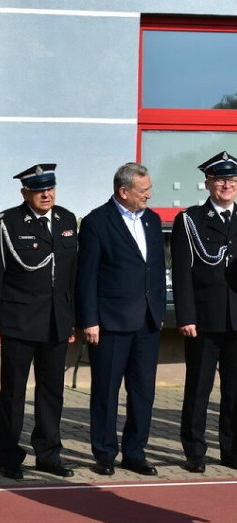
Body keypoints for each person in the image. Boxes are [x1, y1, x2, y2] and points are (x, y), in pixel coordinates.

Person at [0, 164, 77, 480]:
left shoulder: (66, 220)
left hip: (56, 322)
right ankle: (9, 456)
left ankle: (49, 454)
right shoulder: (6, 223)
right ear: (25, 193)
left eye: (50, 188)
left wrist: (73, 318)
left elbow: (72, 276)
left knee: (52, 392)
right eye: (38, 190)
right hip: (18, 321)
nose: (46, 194)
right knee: (14, 392)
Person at [76, 162, 166, 476]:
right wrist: (89, 319)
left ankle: (135, 452)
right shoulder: (97, 222)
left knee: (143, 391)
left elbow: (153, 269)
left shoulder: (153, 221)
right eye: (144, 191)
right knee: (106, 390)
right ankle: (104, 453)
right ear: (123, 191)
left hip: (147, 322)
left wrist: (158, 310)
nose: (149, 196)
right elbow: (86, 277)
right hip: (110, 322)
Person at [171, 151, 237, 473]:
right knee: (199, 387)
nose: (227, 185)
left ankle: (231, 449)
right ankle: (195, 450)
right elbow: (182, 272)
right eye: (221, 179)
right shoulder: (190, 219)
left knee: (235, 390)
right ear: (208, 182)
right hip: (204, 320)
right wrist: (186, 316)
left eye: (232, 180)